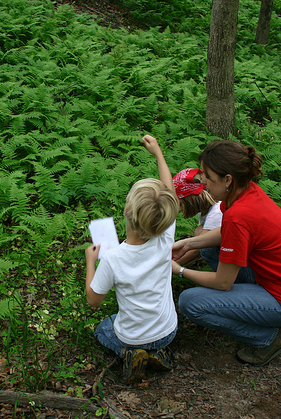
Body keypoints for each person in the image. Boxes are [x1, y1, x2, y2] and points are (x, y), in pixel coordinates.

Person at [171, 140, 281, 366]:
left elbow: (223, 282)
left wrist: (180, 270)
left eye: (209, 178)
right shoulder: (245, 194)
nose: (204, 183)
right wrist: (189, 243)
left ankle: (270, 338)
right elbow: (226, 232)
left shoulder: (239, 216)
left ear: (228, 180)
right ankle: (247, 306)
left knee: (190, 302)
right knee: (209, 250)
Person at [85, 135, 178, 384]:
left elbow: (93, 300)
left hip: (133, 337)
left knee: (103, 328)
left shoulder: (113, 258)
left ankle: (131, 353)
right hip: (168, 331)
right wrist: (158, 153)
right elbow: (169, 191)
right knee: (151, 336)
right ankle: (155, 352)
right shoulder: (165, 236)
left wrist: (91, 262)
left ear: (127, 210)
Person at [173, 168, 255, 282]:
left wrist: (172, 266)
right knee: (200, 231)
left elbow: (197, 249)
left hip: (252, 271)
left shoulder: (217, 212)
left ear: (192, 200)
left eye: (181, 204)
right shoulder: (207, 210)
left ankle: (236, 281)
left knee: (206, 248)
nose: (180, 210)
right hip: (243, 261)